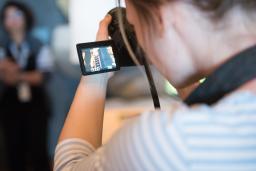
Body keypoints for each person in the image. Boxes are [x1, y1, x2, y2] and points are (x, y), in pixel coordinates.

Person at [54, 0, 256, 170]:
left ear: (163, 19)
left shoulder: (173, 140)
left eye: (135, 25)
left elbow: (69, 166)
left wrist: (95, 77)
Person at [0, 2, 53, 171]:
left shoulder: (38, 44)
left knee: (38, 149)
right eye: (8, 16)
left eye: (17, 15)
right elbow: (5, 77)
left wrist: (15, 74)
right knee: (13, 150)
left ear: (26, 17)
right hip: (9, 105)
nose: (13, 20)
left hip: (36, 105)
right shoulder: (3, 46)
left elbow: (42, 76)